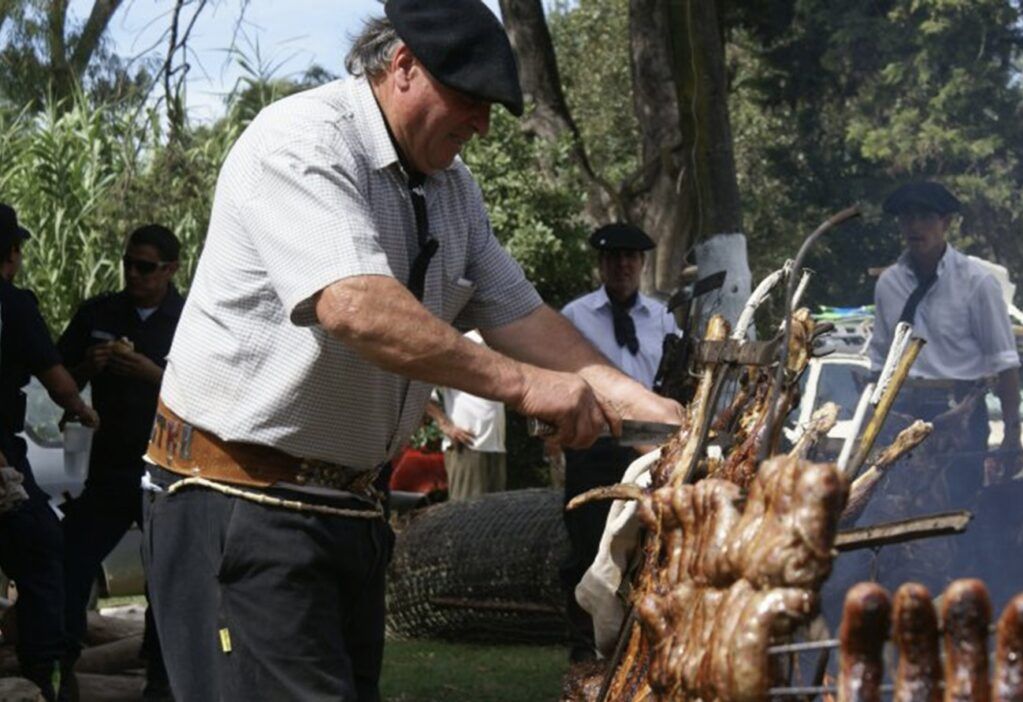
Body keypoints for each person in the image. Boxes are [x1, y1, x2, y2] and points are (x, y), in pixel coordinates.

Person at [140, 2, 683, 700]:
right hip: (239, 502)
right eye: (470, 101)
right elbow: (355, 305)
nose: (482, 125)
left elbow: (520, 314)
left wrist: (648, 406)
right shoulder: (302, 142)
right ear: (403, 67)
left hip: (348, 517)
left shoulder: (455, 192)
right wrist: (523, 386)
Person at [57, 224, 182, 700]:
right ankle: (60, 665)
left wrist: (153, 374)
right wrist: (90, 367)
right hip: (110, 468)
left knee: (166, 574)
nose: (134, 274)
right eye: (128, 263)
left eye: (146, 267)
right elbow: (57, 376)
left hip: (168, 470)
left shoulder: (189, 318)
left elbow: (213, 391)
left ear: (170, 270)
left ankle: (162, 675)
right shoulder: (99, 313)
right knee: (72, 558)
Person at [557, 222, 681, 661]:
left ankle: (637, 643)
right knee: (589, 543)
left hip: (647, 447)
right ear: (602, 264)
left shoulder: (664, 317)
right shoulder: (576, 316)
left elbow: (675, 378)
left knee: (647, 540)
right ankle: (586, 648)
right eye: (614, 258)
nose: (623, 265)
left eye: (631, 257)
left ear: (642, 264)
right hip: (594, 444)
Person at [868, 181, 1021, 506]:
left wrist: (1012, 433)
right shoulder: (888, 284)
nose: (915, 226)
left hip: (958, 414)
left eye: (925, 217)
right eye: (907, 218)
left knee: (955, 513)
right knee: (892, 511)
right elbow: (880, 362)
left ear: (945, 223)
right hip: (901, 414)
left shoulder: (977, 283)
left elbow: (1005, 363)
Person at [0, 203, 98, 701]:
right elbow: (55, 379)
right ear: (12, 254)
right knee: (41, 551)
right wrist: (83, 409)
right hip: (1, 460)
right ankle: (44, 673)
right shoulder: (13, 306)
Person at [426, 330, 507, 500]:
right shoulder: (458, 343)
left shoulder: (497, 343)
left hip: (495, 446)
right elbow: (422, 388)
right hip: (467, 445)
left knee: (495, 518)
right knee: (465, 517)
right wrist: (445, 425)